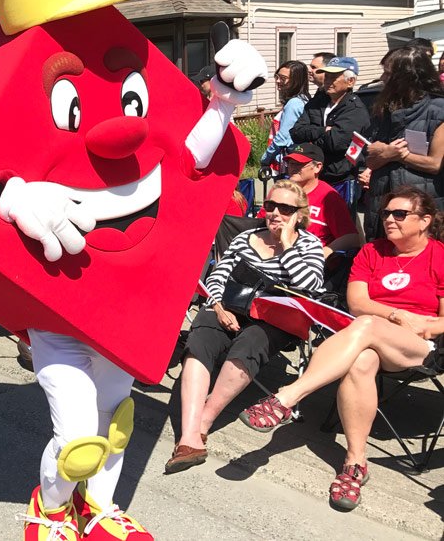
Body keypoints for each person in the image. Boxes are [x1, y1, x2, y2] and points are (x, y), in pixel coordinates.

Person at [239, 185, 444, 511]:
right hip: (370, 341)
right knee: (362, 359)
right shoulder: (372, 252)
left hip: (422, 345)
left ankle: (287, 398)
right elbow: (357, 302)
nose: (389, 219)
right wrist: (392, 315)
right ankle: (354, 463)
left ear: (425, 221)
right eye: (386, 213)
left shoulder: (439, 256)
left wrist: (424, 325)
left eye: (400, 214)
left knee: (365, 327)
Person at [164, 180, 325, 474]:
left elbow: (310, 287)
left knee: (251, 341)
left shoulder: (309, 245)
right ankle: (189, 436)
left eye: (286, 208)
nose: (275, 212)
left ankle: (204, 422)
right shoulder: (247, 237)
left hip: (274, 320)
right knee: (202, 333)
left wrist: (287, 246)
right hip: (230, 307)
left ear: (299, 214)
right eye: (271, 205)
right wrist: (217, 305)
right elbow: (217, 276)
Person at [362, 47, 444, 241]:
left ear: (408, 77)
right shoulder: (385, 111)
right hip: (383, 200)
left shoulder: (438, 110)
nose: (382, 78)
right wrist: (386, 153)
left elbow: (435, 164)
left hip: (420, 204)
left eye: (388, 73)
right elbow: (371, 160)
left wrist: (399, 155)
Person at [290, 56, 370, 202]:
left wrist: (311, 140)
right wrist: (323, 130)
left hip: (340, 179)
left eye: (334, 77)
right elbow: (296, 132)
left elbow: (335, 142)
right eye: (327, 76)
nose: (328, 81)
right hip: (312, 175)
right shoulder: (317, 102)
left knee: (337, 220)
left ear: (350, 81)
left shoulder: (355, 109)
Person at [258, 143, 360, 257]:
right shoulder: (279, 190)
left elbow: (351, 238)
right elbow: (259, 224)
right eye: (291, 163)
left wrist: (319, 255)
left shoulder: (329, 197)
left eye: (300, 164)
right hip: (271, 253)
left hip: (308, 259)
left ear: (317, 167)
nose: (293, 168)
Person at [260, 60, 311, 172]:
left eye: (283, 78)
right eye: (277, 77)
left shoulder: (294, 103)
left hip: (288, 164)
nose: (278, 81)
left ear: (296, 81)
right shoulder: (304, 99)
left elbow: (283, 137)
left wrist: (265, 159)